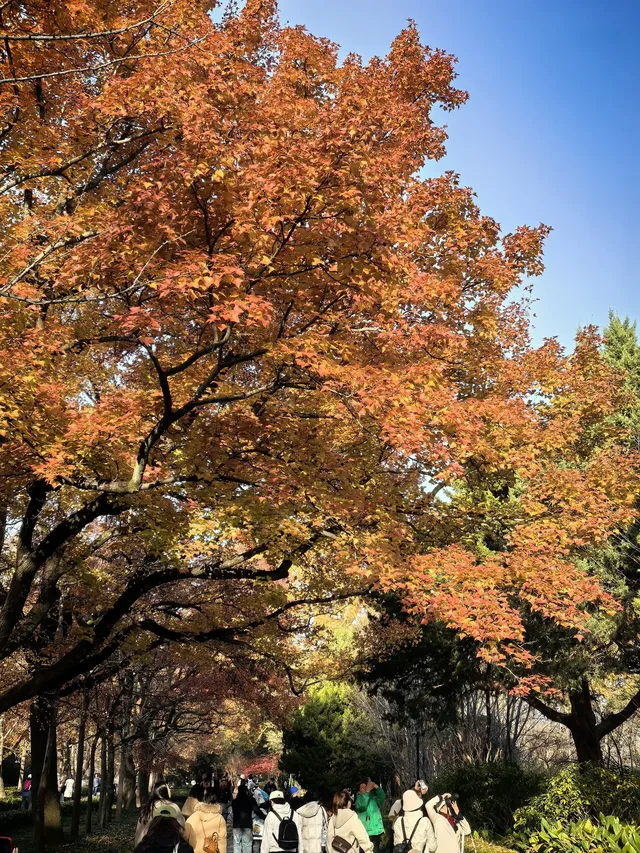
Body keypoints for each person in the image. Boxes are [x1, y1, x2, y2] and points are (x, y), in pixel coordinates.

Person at [354, 780, 385, 853]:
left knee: (375, 850)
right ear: (358, 791)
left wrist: (376, 787)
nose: (365, 788)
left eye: (366, 786)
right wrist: (367, 792)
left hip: (376, 831)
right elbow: (363, 805)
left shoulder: (373, 799)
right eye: (362, 787)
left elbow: (382, 797)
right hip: (365, 832)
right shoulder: (358, 800)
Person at [232, 782, 263, 853]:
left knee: (237, 845)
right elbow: (257, 811)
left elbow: (234, 813)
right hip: (247, 825)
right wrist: (263, 817)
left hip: (236, 825)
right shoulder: (250, 800)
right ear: (246, 791)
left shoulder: (234, 801)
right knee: (247, 845)